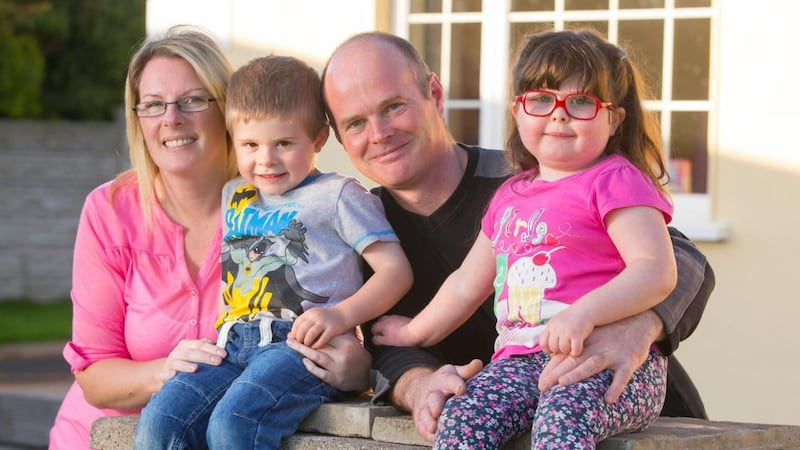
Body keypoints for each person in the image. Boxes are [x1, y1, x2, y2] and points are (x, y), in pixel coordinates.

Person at [296, 30, 714, 443]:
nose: (379, 132)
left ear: (435, 95)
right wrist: (419, 383)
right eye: (355, 123)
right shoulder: (360, 230)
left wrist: (641, 324)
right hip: (508, 398)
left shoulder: (542, 173)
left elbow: (679, 258)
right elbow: (383, 339)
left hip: (622, 406)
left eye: (394, 106)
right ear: (338, 137)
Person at [49, 26, 369, 450]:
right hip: (102, 439)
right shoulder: (109, 210)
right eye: (152, 105)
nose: (171, 118)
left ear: (228, 109)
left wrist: (357, 370)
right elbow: (93, 376)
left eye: (193, 100)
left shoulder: (281, 205)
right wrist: (168, 369)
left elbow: (328, 310)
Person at [133, 55, 413, 449]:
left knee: (235, 423)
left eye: (283, 143)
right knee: (161, 421)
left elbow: (395, 272)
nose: (266, 159)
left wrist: (340, 315)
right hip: (230, 344)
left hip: (300, 348)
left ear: (317, 139)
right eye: (250, 144)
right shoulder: (235, 195)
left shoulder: (337, 195)